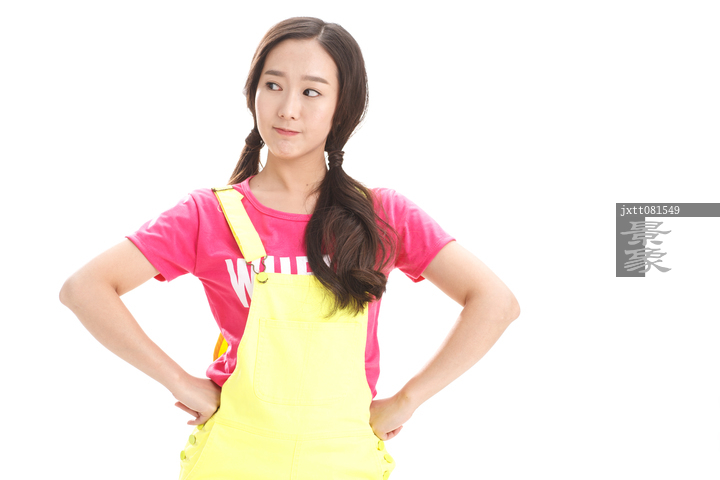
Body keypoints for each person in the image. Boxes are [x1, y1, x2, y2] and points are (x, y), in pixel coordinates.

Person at [60, 16, 520, 480]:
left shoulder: (381, 214)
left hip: (344, 462)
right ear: (253, 93)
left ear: (343, 107)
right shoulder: (208, 214)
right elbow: (85, 288)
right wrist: (179, 382)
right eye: (273, 85)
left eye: (312, 92)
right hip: (233, 459)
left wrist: (407, 400)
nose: (288, 109)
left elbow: (495, 302)